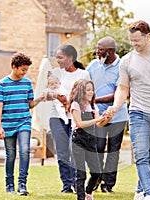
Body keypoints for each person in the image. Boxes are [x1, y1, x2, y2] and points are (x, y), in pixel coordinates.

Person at [107, 20, 150, 200]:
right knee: (140, 154)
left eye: (137, 40)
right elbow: (123, 88)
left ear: (148, 36)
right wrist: (115, 107)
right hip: (138, 112)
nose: (134, 44)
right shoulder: (127, 61)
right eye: (131, 41)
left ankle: (140, 190)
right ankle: (149, 194)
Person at [0, 52, 44, 195]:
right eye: (23, 69)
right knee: (10, 155)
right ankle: (9, 185)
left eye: (26, 70)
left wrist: (42, 97)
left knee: (24, 151)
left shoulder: (27, 83)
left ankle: (22, 185)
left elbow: (30, 104)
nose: (24, 72)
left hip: (24, 122)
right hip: (8, 124)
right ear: (14, 67)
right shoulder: (2, 84)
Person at [86, 36, 129, 193]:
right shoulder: (93, 66)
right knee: (97, 147)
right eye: (97, 48)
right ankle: (96, 177)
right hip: (98, 116)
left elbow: (118, 93)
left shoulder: (122, 67)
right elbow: (84, 84)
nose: (97, 52)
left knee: (113, 150)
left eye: (101, 49)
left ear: (110, 51)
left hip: (117, 115)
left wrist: (94, 99)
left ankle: (108, 184)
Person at [48, 44, 90, 194]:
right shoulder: (56, 74)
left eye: (60, 57)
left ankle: (76, 183)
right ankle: (67, 185)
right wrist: (55, 96)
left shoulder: (83, 74)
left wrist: (68, 101)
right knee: (62, 153)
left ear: (70, 58)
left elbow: (87, 96)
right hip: (56, 117)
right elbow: (47, 91)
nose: (57, 60)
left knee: (75, 152)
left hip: (74, 117)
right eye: (56, 57)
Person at [68, 79, 112, 200]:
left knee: (96, 172)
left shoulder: (93, 106)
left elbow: (99, 124)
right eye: (88, 90)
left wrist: (107, 118)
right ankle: (81, 197)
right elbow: (80, 124)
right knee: (81, 173)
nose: (91, 92)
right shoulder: (75, 105)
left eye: (92, 89)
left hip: (91, 140)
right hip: (79, 139)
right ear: (81, 91)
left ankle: (88, 191)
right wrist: (97, 120)